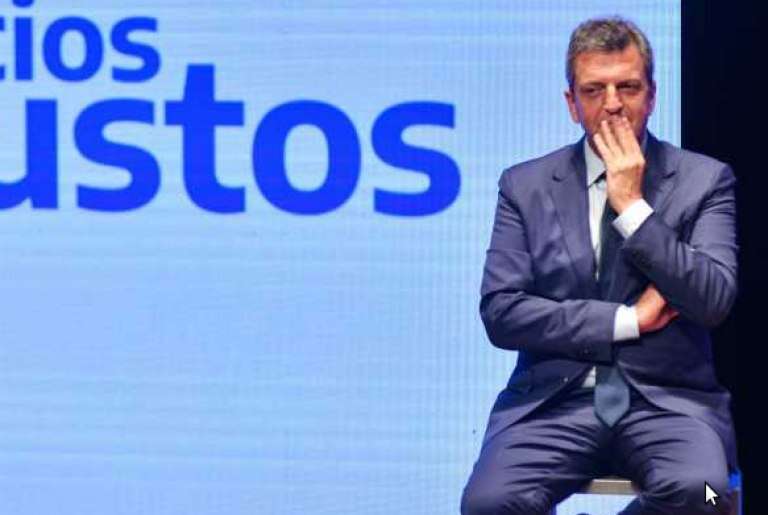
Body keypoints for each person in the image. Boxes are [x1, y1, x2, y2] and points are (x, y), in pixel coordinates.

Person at [461, 17, 738, 515]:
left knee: (711, 497)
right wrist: (626, 321)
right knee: (487, 504)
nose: (612, 103)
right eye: (594, 90)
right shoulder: (525, 186)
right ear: (572, 103)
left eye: (628, 87)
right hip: (552, 403)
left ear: (651, 96)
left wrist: (632, 207)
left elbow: (713, 299)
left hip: (671, 405)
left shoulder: (704, 180)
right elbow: (501, 313)